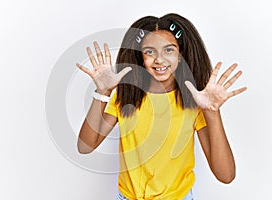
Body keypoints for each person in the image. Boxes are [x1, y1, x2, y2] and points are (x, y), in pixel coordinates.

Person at [76, 13, 247, 200]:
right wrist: (103, 91)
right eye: (150, 51)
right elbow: (85, 146)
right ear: (141, 57)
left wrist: (212, 112)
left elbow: (226, 175)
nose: (159, 60)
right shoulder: (126, 96)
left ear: (181, 55)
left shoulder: (194, 101)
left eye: (169, 50)